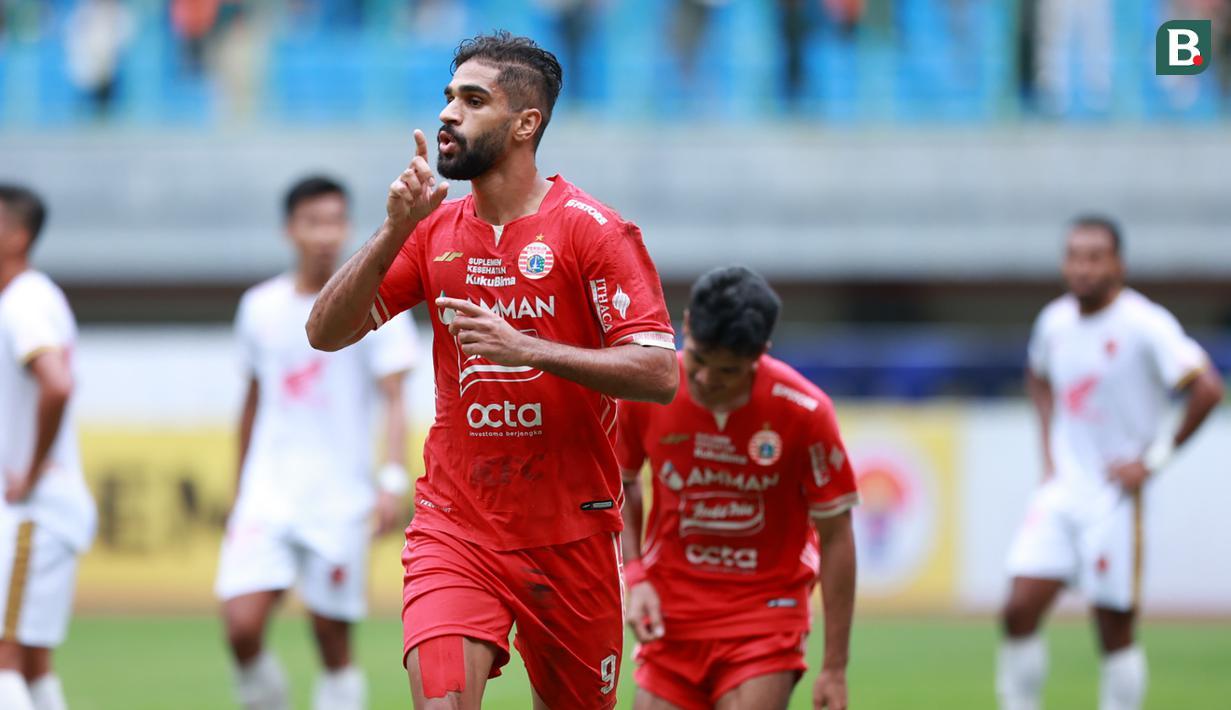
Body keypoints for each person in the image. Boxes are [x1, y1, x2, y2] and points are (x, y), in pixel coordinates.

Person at [306, 31, 679, 710]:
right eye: (448, 97)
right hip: (458, 525)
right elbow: (324, 332)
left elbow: (658, 372)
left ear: (524, 123)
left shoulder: (592, 232)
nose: (448, 113)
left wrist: (529, 348)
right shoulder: (430, 231)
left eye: (473, 101)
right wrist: (393, 228)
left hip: (573, 534)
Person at [997, 216, 1224, 710]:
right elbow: (1037, 376)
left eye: (1095, 257)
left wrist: (1153, 460)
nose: (1083, 268)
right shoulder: (1054, 321)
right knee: (1017, 610)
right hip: (1063, 492)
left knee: (1113, 626)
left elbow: (1207, 388)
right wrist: (1049, 449)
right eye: (1075, 256)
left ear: (1118, 264)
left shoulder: (1144, 324)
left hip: (1117, 498)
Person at [216, 176, 419, 710]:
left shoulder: (376, 302)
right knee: (241, 626)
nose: (326, 234)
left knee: (331, 636)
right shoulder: (259, 306)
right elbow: (253, 402)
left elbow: (395, 397)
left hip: (339, 496)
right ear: (291, 230)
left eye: (335, 221)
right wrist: (240, 487)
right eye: (313, 222)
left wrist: (390, 480)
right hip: (268, 492)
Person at [617, 266, 859, 710]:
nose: (708, 379)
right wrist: (635, 575)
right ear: (685, 327)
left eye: (727, 370)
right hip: (671, 615)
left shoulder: (805, 411)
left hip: (765, 616)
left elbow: (837, 535)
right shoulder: (648, 391)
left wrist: (835, 667)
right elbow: (624, 482)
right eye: (698, 360)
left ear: (760, 353)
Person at [0, 185, 97, 710]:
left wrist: (30, 470)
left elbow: (56, 384)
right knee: (32, 659)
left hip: (31, 511)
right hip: (47, 509)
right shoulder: (34, 295)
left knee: (4, 657)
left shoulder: (22, 301)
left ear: (17, 235)